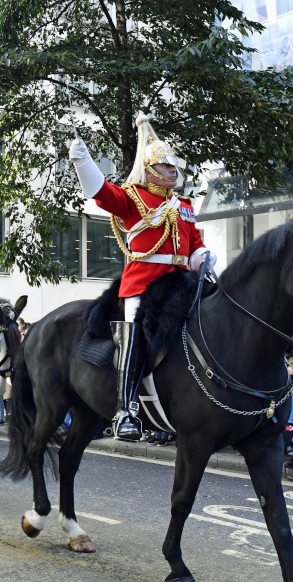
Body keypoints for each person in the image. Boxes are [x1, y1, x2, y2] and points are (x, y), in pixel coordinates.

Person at [69, 114, 215, 440]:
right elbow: (102, 193)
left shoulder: (184, 205)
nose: (173, 170)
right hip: (144, 284)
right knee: (134, 337)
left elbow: (193, 245)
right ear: (150, 170)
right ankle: (126, 410)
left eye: (174, 166)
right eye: (166, 166)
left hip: (181, 283)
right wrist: (83, 163)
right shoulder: (133, 198)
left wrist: (202, 255)